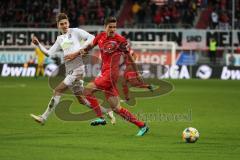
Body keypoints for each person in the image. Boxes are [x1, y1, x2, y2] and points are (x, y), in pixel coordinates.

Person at [65, 16, 149, 136]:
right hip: (105, 73)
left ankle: (101, 117)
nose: (113, 29)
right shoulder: (100, 37)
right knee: (117, 109)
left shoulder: (120, 40)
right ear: (105, 27)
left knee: (87, 90)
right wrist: (75, 54)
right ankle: (142, 126)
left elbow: (129, 57)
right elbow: (88, 48)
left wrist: (136, 73)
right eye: (110, 27)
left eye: (115, 27)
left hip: (111, 74)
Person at [30, 13, 115, 125]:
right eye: (62, 24)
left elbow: (92, 38)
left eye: (66, 23)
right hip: (70, 69)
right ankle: (107, 110)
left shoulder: (75, 31)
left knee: (57, 90)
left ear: (68, 23)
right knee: (82, 100)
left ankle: (43, 117)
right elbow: (49, 53)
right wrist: (38, 45)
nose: (64, 25)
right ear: (58, 25)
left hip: (78, 68)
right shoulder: (60, 39)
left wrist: (79, 50)